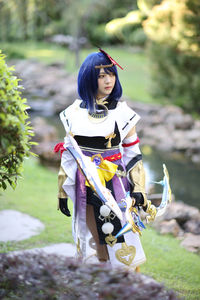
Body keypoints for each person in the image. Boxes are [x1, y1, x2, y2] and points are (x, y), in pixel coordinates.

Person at [56, 49, 156, 269]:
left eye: (110, 73)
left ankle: (125, 282)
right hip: (87, 186)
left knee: (120, 237)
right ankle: (104, 284)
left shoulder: (122, 112)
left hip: (116, 184)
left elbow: (133, 153)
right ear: (89, 78)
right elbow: (69, 153)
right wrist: (62, 191)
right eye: (101, 75)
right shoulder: (73, 112)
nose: (108, 79)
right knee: (96, 240)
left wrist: (139, 188)